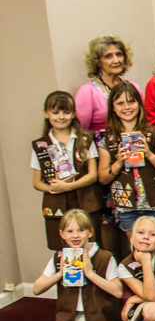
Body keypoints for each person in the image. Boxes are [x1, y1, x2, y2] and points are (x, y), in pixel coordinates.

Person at [34, 210, 123, 321]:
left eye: (80, 230)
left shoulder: (104, 257)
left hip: (95, 319)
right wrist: (59, 273)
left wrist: (90, 273)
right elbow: (37, 289)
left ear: (90, 232)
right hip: (68, 318)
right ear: (62, 234)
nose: (75, 235)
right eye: (70, 231)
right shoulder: (59, 257)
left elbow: (118, 291)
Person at [98, 83, 155, 233]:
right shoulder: (107, 139)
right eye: (120, 103)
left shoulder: (154, 133)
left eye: (131, 101)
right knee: (138, 253)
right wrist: (118, 162)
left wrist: (149, 155)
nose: (127, 107)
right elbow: (102, 178)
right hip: (127, 206)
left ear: (139, 104)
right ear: (113, 107)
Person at [32, 91, 102, 251]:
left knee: (92, 247)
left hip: (87, 201)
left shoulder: (85, 138)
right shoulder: (41, 145)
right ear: (46, 114)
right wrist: (54, 188)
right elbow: (36, 182)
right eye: (55, 112)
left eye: (66, 111)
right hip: (57, 205)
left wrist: (68, 186)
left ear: (73, 114)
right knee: (63, 250)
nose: (61, 116)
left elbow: (93, 175)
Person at [75, 35, 142, 133]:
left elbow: (142, 121)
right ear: (98, 61)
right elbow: (81, 131)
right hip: (101, 145)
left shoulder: (134, 87)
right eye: (108, 56)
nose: (116, 60)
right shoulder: (87, 91)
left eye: (119, 54)